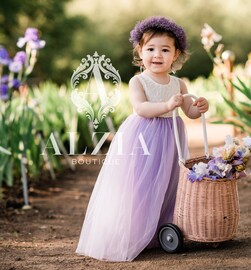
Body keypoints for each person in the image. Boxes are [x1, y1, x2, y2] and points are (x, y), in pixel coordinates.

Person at [76, 16, 209, 262]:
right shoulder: (139, 80)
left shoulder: (179, 83)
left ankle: (163, 229)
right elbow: (141, 108)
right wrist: (167, 104)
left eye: (165, 50)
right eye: (150, 49)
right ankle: (136, 233)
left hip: (172, 139)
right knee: (142, 184)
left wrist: (199, 106)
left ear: (176, 54)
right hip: (144, 137)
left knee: (169, 183)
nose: (156, 55)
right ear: (140, 51)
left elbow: (189, 112)